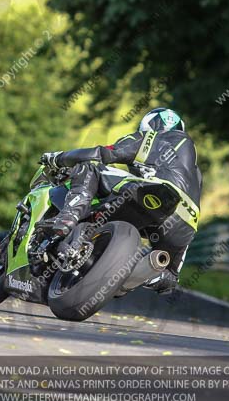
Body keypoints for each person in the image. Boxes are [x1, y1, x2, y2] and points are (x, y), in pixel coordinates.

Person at [38, 107, 202, 294]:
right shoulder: (196, 173)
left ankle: (69, 216)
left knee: (90, 167)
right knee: (167, 277)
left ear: (149, 126)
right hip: (183, 226)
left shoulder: (151, 138)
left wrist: (58, 158)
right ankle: (131, 275)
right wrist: (173, 272)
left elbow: (103, 154)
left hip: (153, 193)